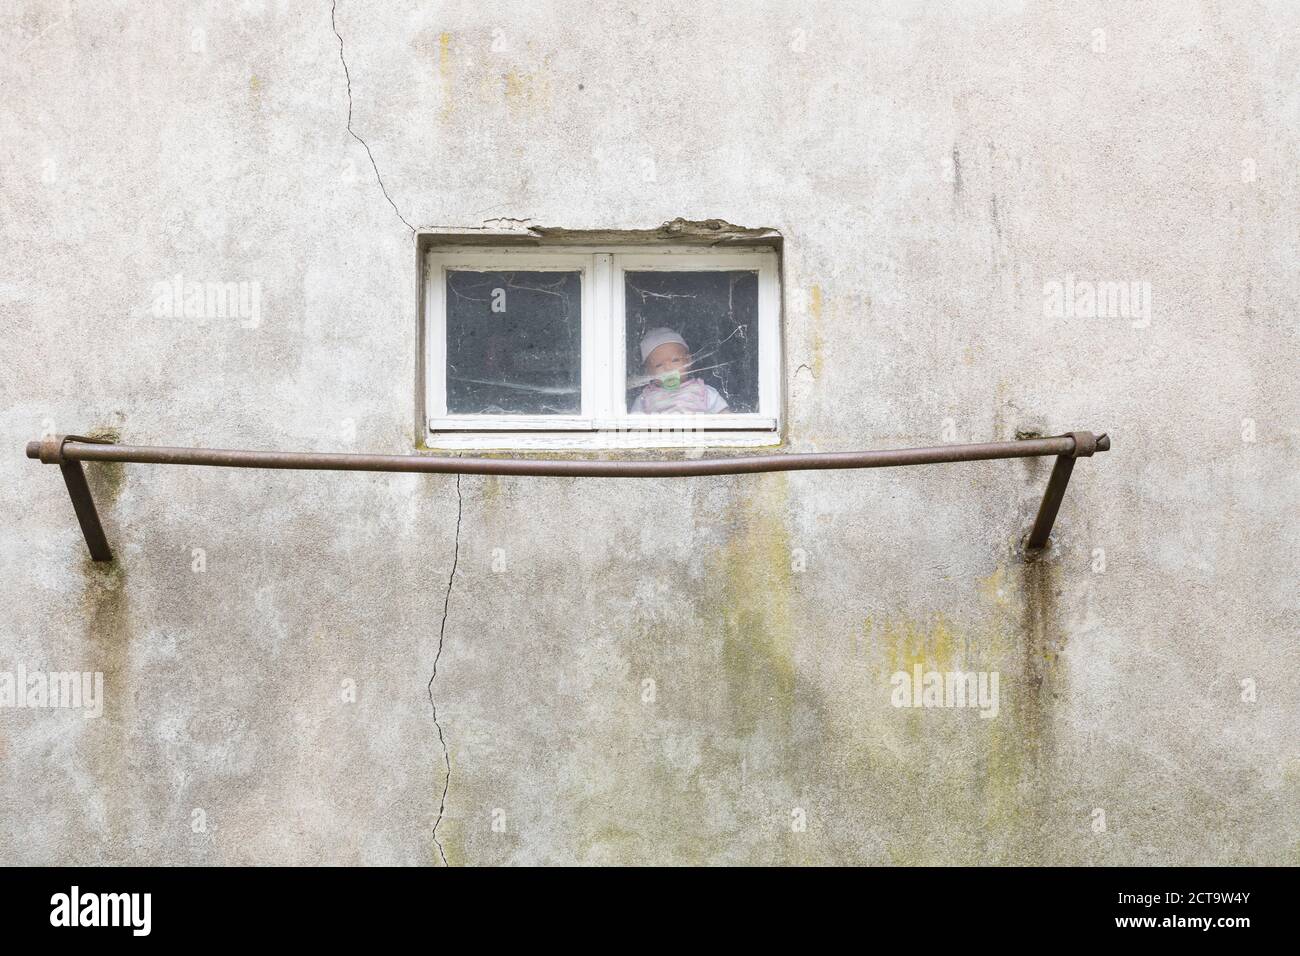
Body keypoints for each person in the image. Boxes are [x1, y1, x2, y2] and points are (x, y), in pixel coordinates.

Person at [630, 328, 729, 414]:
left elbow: (726, 419)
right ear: (648, 373)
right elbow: (632, 428)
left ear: (688, 361)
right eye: (658, 365)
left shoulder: (704, 392)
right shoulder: (644, 400)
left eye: (675, 360)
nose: (668, 368)